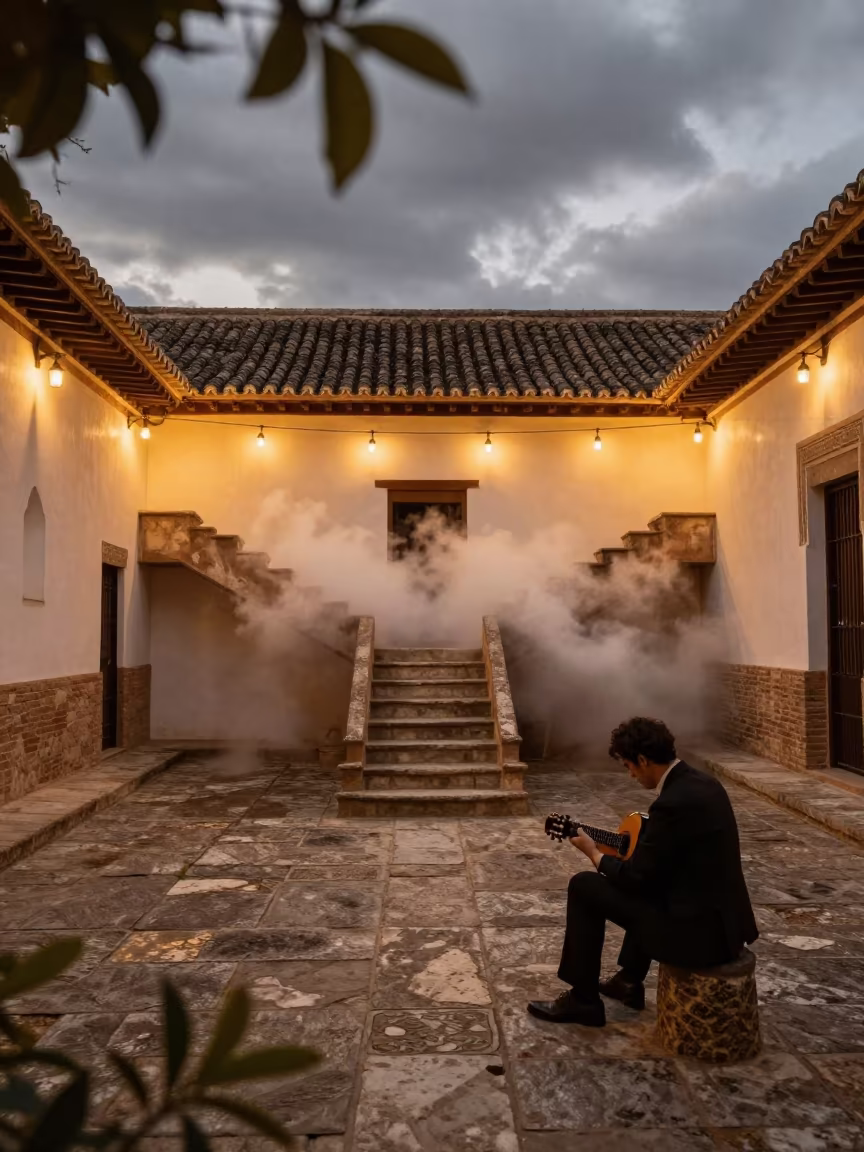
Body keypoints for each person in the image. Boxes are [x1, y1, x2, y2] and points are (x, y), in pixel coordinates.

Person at [528, 716, 758, 1027]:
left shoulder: (672, 804)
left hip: (700, 939)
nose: (631, 775)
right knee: (650, 888)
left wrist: (593, 853)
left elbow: (636, 878)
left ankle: (583, 1001)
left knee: (584, 886)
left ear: (643, 760)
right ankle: (629, 980)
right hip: (726, 926)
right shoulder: (704, 784)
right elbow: (661, 861)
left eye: (628, 767)